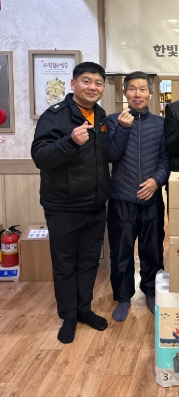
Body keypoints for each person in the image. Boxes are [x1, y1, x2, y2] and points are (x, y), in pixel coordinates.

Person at [31, 62, 111, 344]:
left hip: (95, 205)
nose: (92, 87)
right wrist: (70, 141)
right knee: (65, 264)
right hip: (63, 206)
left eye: (98, 83)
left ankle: (84, 309)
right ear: (73, 84)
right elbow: (40, 157)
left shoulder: (100, 115)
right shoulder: (55, 116)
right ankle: (68, 316)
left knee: (88, 262)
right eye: (86, 81)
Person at [107, 71, 169, 320]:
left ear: (151, 93)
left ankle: (151, 292)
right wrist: (123, 128)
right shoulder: (113, 120)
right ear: (125, 92)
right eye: (132, 89)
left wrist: (156, 181)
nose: (137, 94)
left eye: (142, 89)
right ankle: (123, 297)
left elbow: (166, 159)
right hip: (122, 198)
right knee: (120, 253)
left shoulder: (161, 124)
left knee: (152, 251)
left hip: (151, 199)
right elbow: (111, 155)